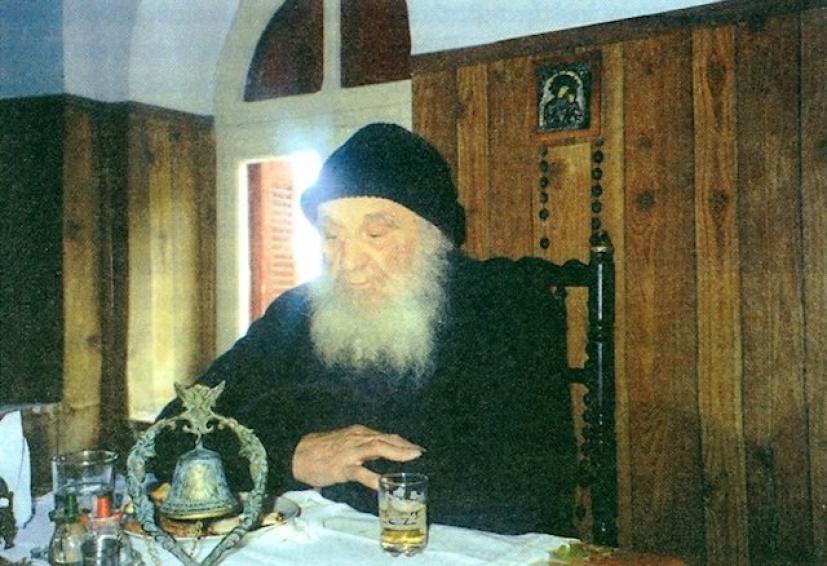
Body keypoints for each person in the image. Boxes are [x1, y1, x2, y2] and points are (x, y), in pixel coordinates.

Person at [155, 123, 577, 536]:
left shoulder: (509, 306)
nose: (348, 263)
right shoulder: (295, 314)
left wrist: (334, 468)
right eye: (331, 235)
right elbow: (166, 436)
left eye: (375, 233)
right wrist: (289, 456)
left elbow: (529, 492)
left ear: (435, 236)